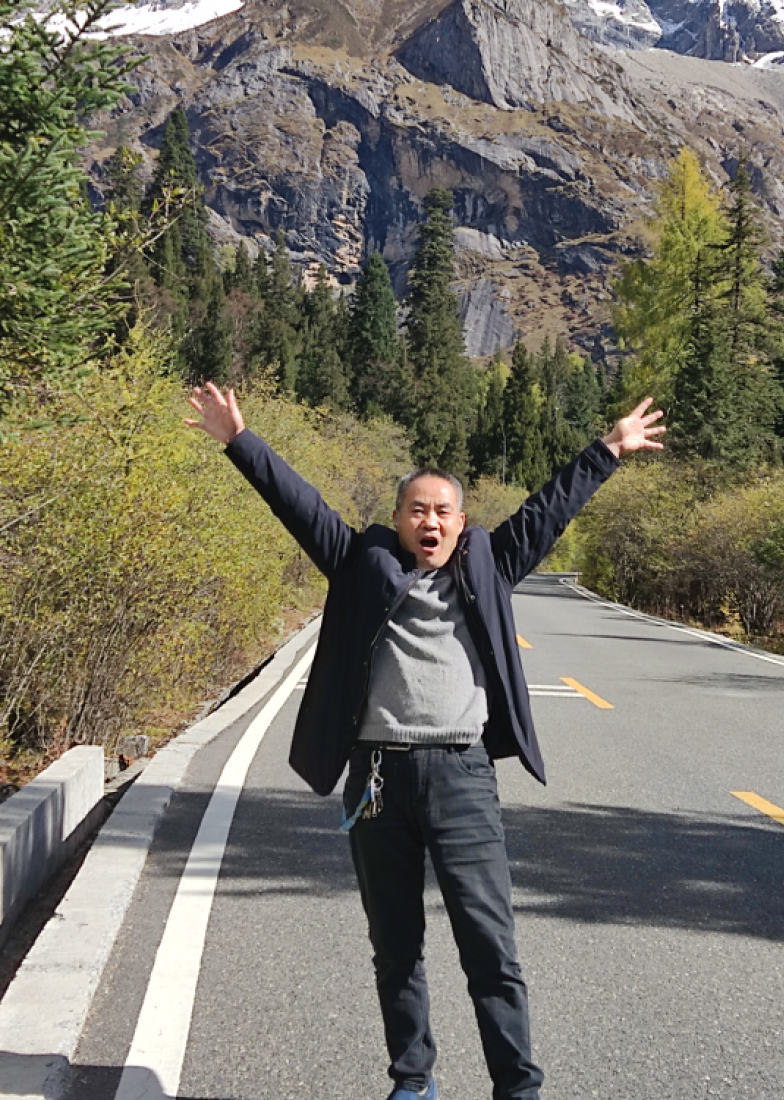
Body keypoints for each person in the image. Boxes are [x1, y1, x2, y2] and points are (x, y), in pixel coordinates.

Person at [185, 383, 664, 1100]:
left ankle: (518, 1088)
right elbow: (299, 503)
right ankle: (413, 1082)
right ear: (399, 520)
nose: (429, 521)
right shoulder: (359, 562)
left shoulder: (490, 564)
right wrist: (239, 441)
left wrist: (610, 449)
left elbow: (548, 508)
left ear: (461, 523)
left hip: (463, 775)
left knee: (490, 946)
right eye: (417, 510)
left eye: (442, 511)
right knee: (396, 947)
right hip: (378, 780)